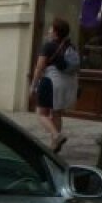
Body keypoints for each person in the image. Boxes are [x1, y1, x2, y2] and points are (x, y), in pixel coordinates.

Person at [30, 16, 80, 152]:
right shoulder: (70, 46)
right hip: (66, 84)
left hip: (50, 82)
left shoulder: (49, 46)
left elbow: (39, 68)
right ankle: (54, 145)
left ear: (56, 31)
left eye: (51, 28)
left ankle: (56, 135)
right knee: (57, 113)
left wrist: (33, 86)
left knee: (41, 113)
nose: (49, 30)